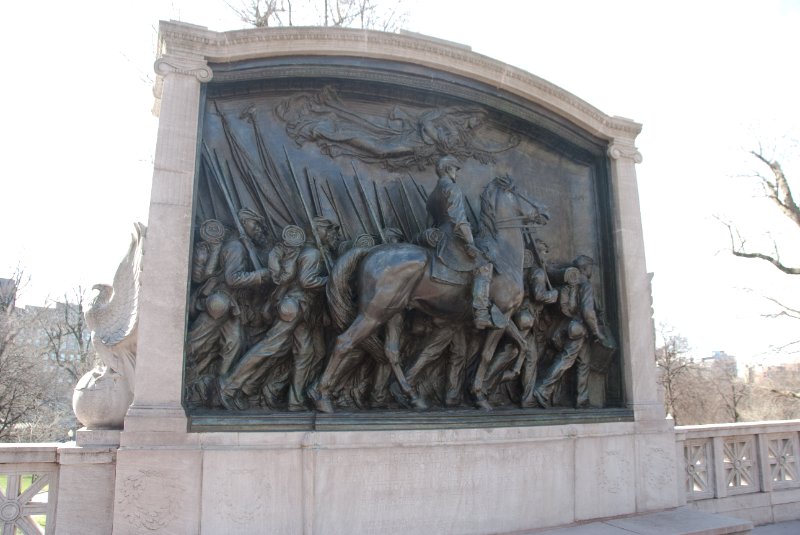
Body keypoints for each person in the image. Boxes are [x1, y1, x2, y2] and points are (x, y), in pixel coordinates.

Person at [219, 222, 332, 411]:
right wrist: (333, 279)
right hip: (294, 307)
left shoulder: (309, 252)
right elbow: (307, 281)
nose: (334, 234)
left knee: (306, 353)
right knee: (268, 347)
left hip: (304, 311)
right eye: (329, 230)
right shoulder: (312, 254)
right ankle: (229, 386)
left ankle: (295, 401)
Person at [186, 210, 272, 381]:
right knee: (197, 341)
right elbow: (232, 279)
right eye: (254, 224)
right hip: (220, 301)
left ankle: (221, 383)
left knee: (234, 342)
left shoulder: (243, 246)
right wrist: (260, 276)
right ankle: (174, 373)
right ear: (244, 223)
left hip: (232, 304)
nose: (258, 229)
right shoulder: (236, 247)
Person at [426, 155, 494, 329]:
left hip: (439, 236)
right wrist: (471, 243)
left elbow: (430, 222)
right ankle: (480, 312)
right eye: (456, 169)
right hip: (452, 238)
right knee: (483, 265)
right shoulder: (452, 188)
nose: (457, 172)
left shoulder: (433, 194)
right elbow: (459, 221)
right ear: (449, 169)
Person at [534, 255, 609, 408]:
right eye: (590, 267)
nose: (591, 270)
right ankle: (543, 389)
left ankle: (582, 399)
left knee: (583, 364)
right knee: (566, 360)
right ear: (585, 268)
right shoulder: (586, 285)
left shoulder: (570, 283)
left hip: (570, 329)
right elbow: (588, 312)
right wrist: (597, 333)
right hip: (578, 330)